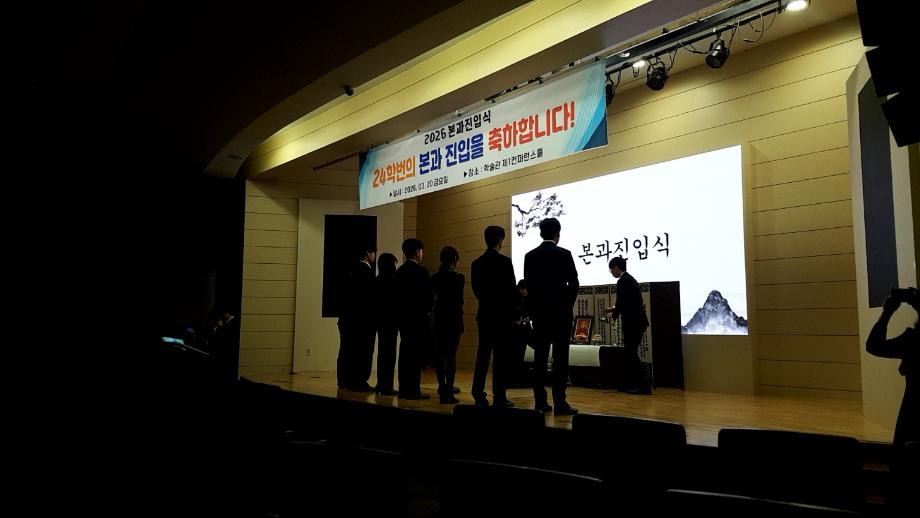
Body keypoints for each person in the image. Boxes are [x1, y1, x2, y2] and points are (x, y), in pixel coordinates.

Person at [867, 286, 919, 515]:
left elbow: (874, 345)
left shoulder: (914, 340)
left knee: (903, 472)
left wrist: (887, 311)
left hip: (912, 414)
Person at [524, 218, 579, 415]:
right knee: (560, 360)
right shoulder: (564, 254)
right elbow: (574, 283)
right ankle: (560, 403)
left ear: (541, 234)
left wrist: (532, 311)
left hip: (540, 316)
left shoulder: (530, 256)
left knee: (540, 359)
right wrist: (567, 305)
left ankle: (540, 402)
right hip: (561, 315)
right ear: (558, 234)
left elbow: (529, 287)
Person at [470, 226, 517, 407]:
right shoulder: (505, 262)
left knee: (482, 355)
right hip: (502, 317)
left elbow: (477, 290)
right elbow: (511, 291)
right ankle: (499, 395)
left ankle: (477, 393)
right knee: (500, 358)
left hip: (485, 315)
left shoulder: (476, 263)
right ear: (500, 240)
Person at [604, 256, 651, 395]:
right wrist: (613, 309)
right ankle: (631, 384)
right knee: (630, 353)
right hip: (637, 322)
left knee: (631, 353)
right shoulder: (630, 279)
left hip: (633, 323)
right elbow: (627, 302)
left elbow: (621, 303)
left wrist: (613, 314)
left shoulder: (623, 281)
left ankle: (643, 387)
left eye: (611, 270)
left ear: (616, 267)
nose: (611, 273)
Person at [396, 238, 433, 400]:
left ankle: (403, 389)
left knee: (404, 353)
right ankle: (414, 390)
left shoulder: (400, 271)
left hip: (404, 320)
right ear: (417, 252)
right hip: (418, 320)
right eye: (421, 251)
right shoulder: (422, 271)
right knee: (416, 356)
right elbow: (428, 298)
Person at [337, 244, 377, 392]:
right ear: (368, 253)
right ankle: (359, 381)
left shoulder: (350, 270)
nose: (374, 256)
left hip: (346, 318)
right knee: (362, 352)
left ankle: (344, 380)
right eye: (373, 253)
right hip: (362, 321)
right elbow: (369, 299)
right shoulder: (366, 271)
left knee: (346, 350)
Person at [431, 246, 465, 404]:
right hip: (454, 321)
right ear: (455, 260)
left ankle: (442, 387)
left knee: (439, 356)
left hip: (439, 320)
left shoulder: (434, 278)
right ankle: (449, 390)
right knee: (451, 357)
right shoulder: (459, 278)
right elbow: (460, 301)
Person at [374, 253, 399, 396]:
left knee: (382, 353)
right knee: (390, 355)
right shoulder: (393, 281)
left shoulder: (377, 280)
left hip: (380, 322)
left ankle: (380, 383)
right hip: (391, 322)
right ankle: (387, 386)